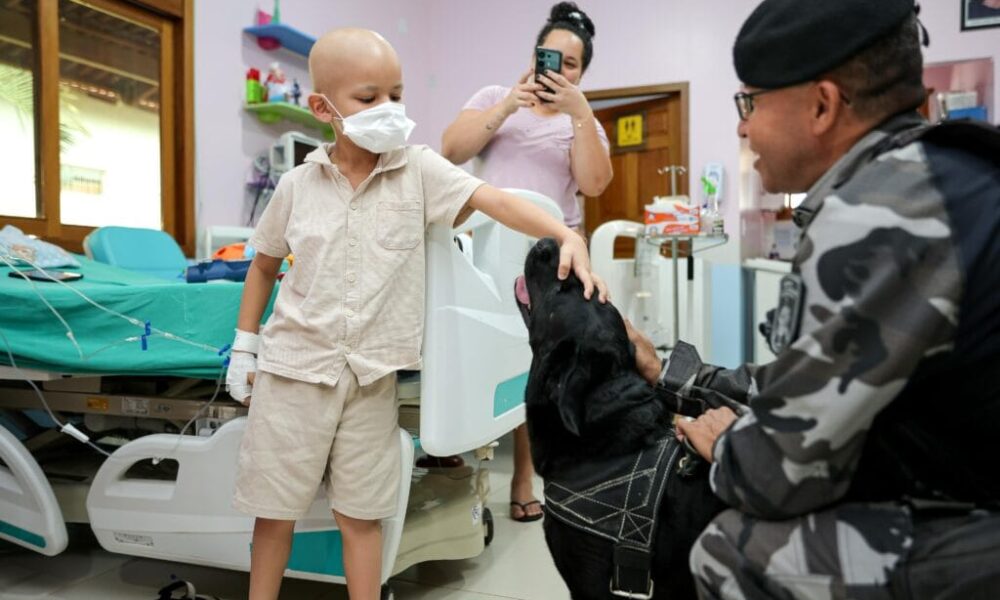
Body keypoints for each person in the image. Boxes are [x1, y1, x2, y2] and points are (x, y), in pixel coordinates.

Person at [626, 0, 1000, 597]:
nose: (743, 128)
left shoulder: (879, 214)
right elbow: (811, 379)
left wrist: (728, 446)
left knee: (730, 550)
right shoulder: (941, 171)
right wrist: (675, 375)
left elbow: (775, 477)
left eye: (750, 104)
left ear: (822, 106)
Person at [225, 28, 607, 600]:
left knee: (362, 515)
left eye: (396, 95)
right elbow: (262, 267)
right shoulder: (297, 186)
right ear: (323, 108)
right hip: (293, 373)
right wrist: (244, 346)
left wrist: (564, 233)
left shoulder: (419, 170)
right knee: (275, 511)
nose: (388, 108)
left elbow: (495, 201)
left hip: (371, 379)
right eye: (368, 97)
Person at [441, 1, 613, 523]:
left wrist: (580, 113)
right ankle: (452, 450)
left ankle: (524, 475)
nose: (558, 69)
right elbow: (451, 151)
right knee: (473, 349)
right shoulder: (495, 98)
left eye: (571, 63)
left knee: (536, 359)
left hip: (548, 256)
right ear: (535, 56)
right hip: (486, 247)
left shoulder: (583, 122)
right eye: (550, 57)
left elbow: (594, 184)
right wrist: (507, 106)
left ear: (581, 73)